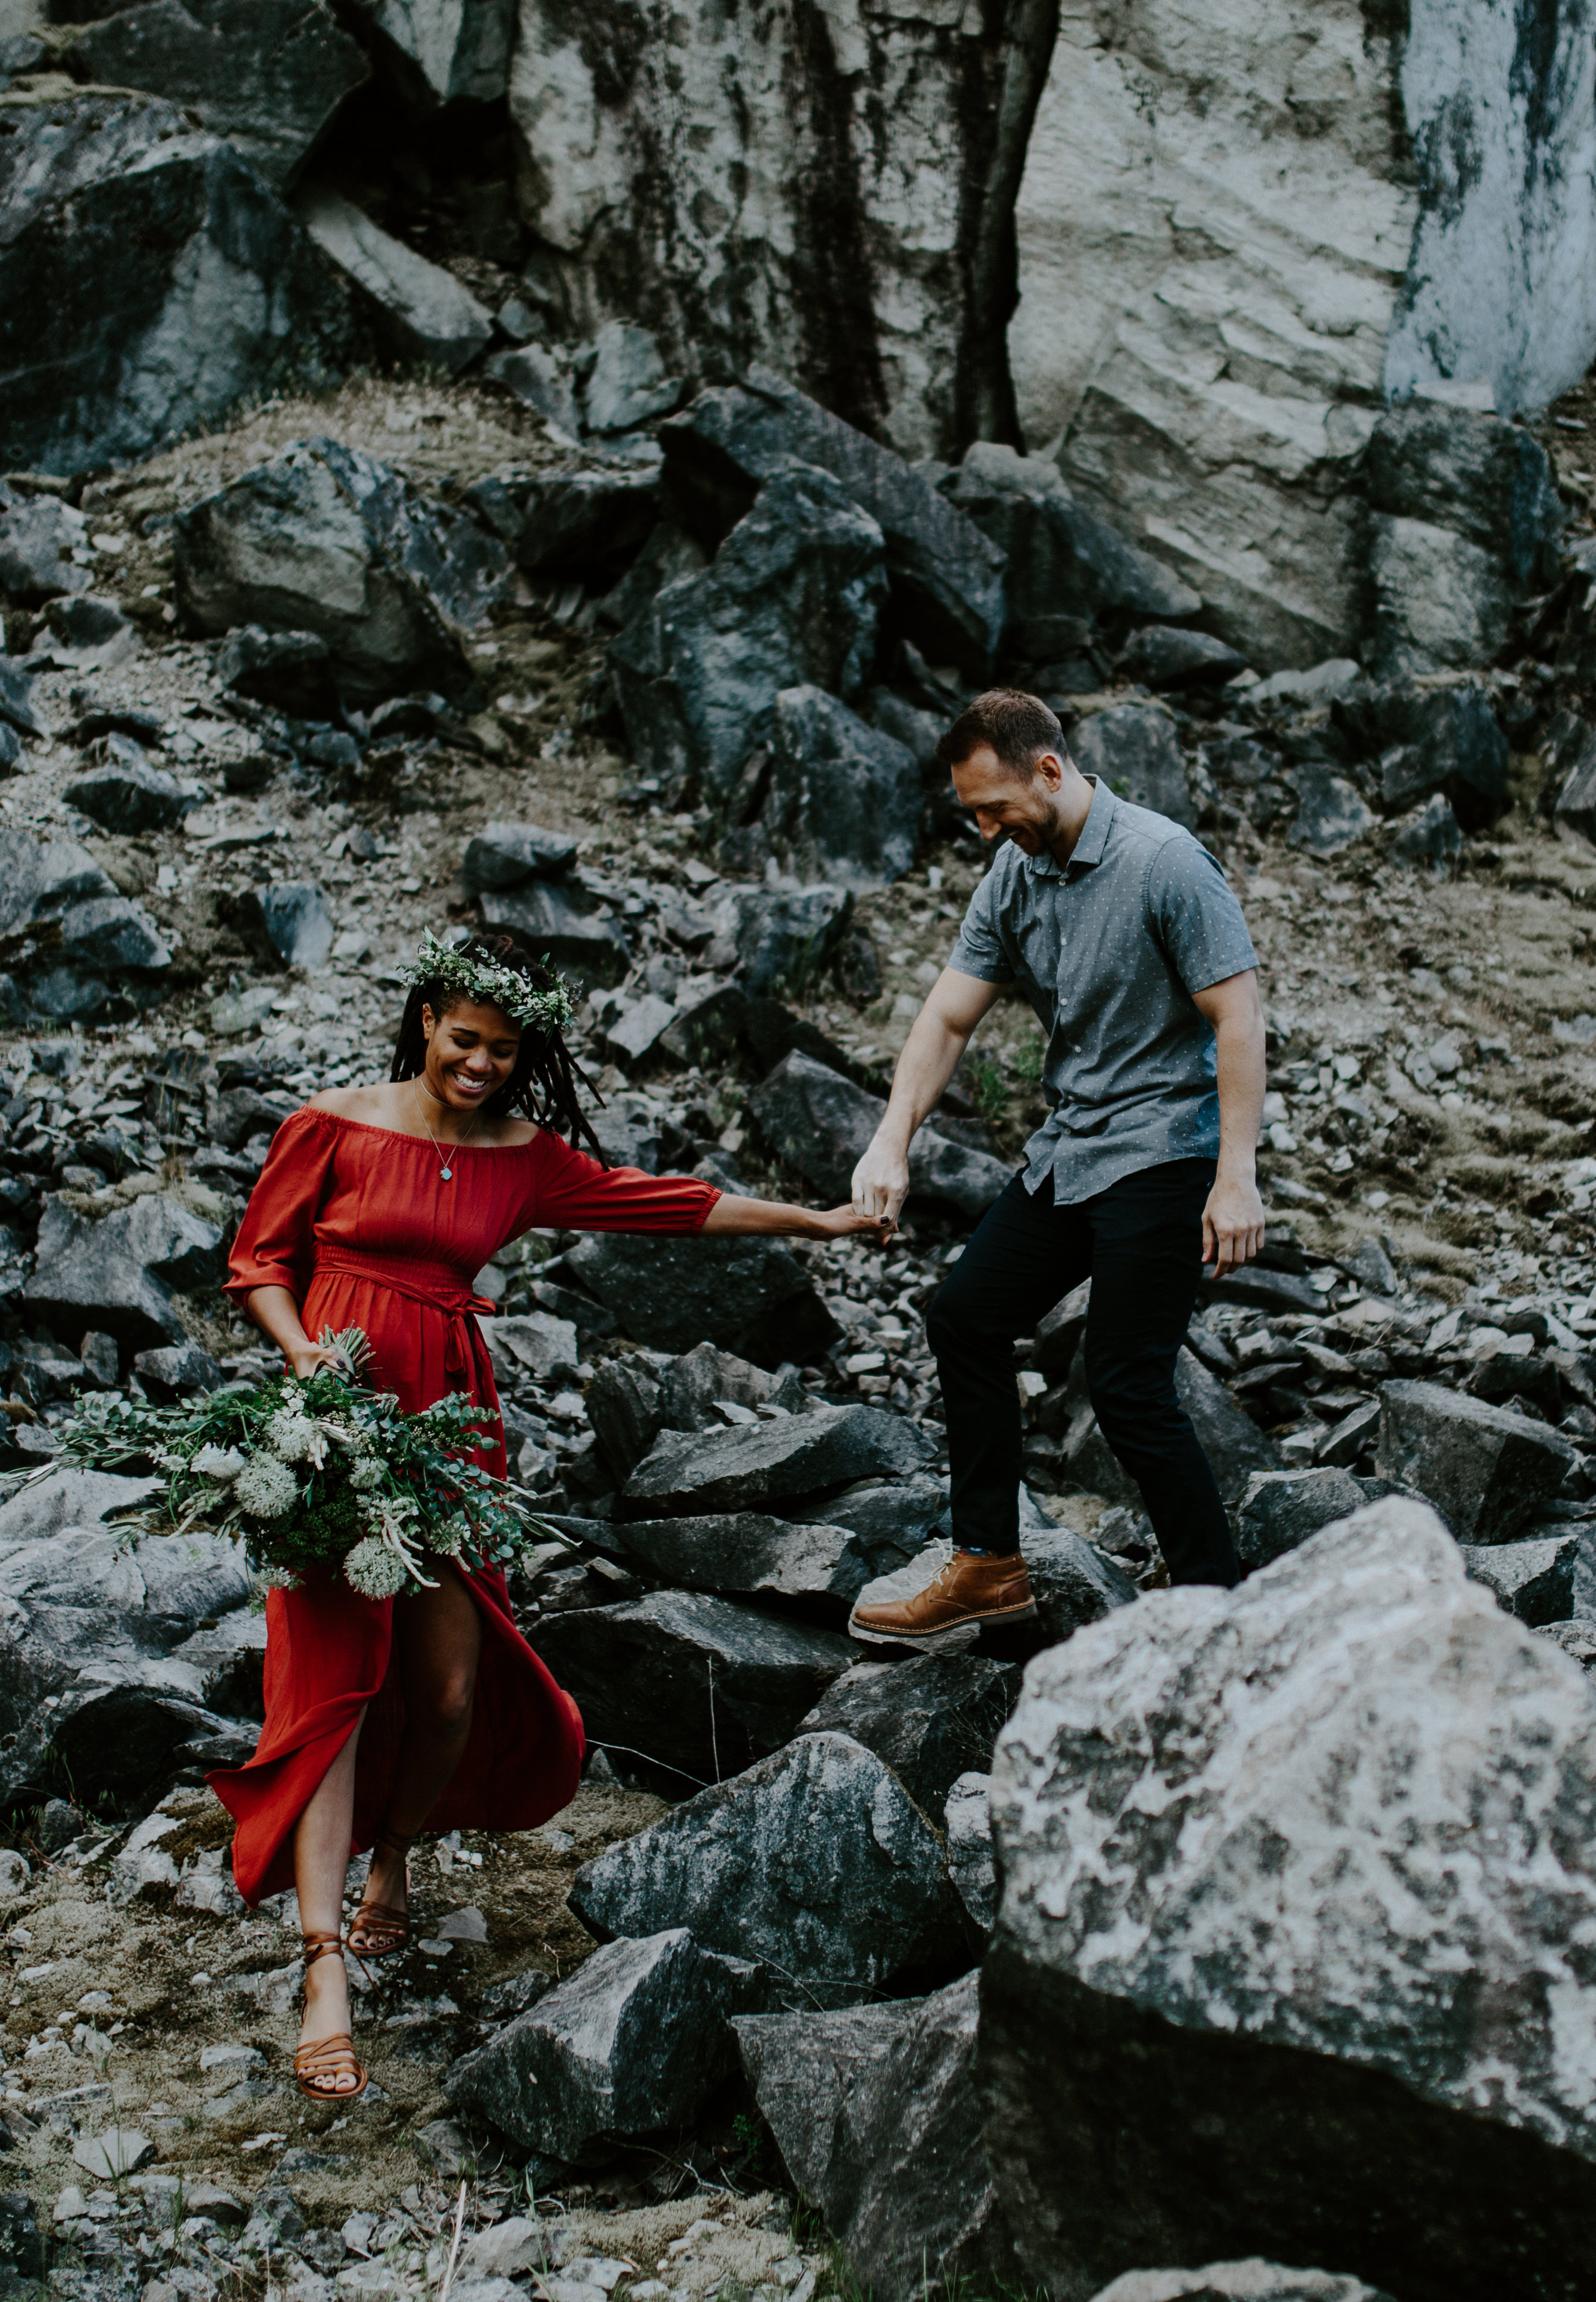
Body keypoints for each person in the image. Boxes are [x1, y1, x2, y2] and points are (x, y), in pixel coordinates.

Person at [214, 932, 885, 2105]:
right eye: (463, 1039)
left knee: (453, 1693)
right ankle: (323, 1971)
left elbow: (663, 1206)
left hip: (455, 1430)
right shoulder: (332, 1121)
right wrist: (303, 1352)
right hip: (334, 1420)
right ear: (426, 1020)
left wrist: (816, 1223)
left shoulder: (524, 1157)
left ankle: (400, 1855)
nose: (479, 1063)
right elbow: (259, 1261)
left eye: (502, 1049)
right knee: (332, 1686)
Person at [848, 688, 1268, 1643]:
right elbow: (949, 1015)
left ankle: (1221, 1613)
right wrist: (890, 1139)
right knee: (964, 1316)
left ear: (1050, 768)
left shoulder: (1166, 864)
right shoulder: (1012, 874)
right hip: (1074, 1146)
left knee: (1125, 1383)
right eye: (972, 814)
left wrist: (1234, 1174)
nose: (987, 828)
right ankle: (989, 1566)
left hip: (1165, 1150)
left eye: (995, 806)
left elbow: (1236, 1017)